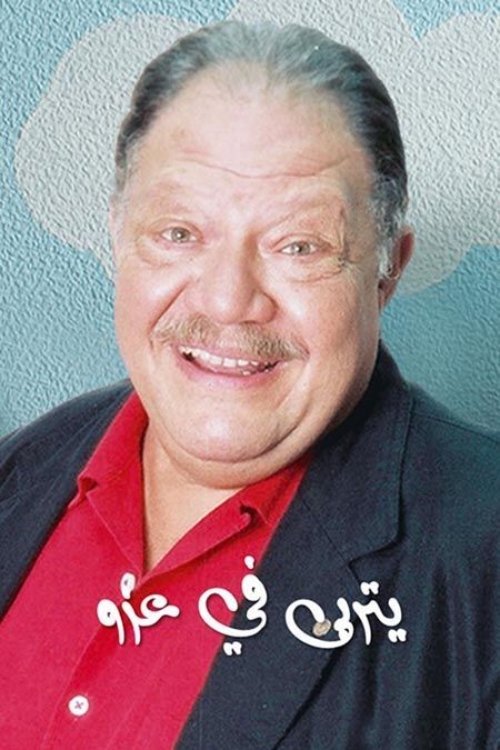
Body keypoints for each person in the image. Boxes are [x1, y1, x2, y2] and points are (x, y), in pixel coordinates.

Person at [0, 20, 498, 750]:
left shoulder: (485, 557)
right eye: (179, 234)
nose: (228, 301)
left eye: (299, 245)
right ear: (118, 236)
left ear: (387, 268)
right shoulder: (18, 474)